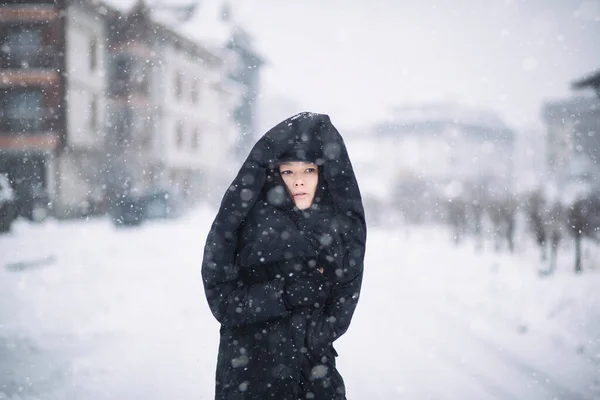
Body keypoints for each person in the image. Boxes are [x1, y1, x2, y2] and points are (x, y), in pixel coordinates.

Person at [201, 112, 367, 399]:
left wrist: (314, 337)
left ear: (323, 173)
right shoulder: (242, 224)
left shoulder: (340, 230)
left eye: (308, 171)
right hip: (248, 372)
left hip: (314, 373)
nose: (299, 181)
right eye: (288, 171)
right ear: (274, 175)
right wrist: (284, 295)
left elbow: (344, 300)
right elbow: (223, 302)